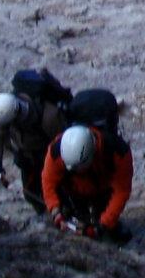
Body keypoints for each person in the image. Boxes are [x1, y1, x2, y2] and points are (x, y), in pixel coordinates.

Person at [40, 93, 133, 240]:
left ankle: (111, 228)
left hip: (103, 188)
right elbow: (48, 181)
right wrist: (55, 211)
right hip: (73, 190)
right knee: (78, 215)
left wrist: (102, 226)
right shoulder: (57, 150)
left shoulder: (117, 152)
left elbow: (121, 192)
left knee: (106, 222)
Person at [0, 70, 75, 211]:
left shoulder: (49, 118)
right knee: (31, 194)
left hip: (51, 156)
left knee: (59, 192)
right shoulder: (5, 112)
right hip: (27, 157)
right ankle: (44, 211)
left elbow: (65, 145)